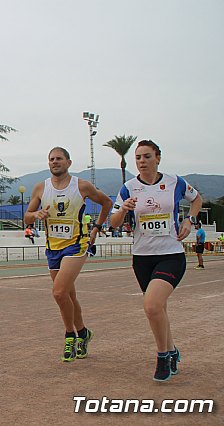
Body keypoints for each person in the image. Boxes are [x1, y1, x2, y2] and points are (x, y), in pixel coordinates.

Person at [110, 140, 202, 382]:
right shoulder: (128, 188)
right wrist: (123, 210)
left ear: (158, 158)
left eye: (147, 156)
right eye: (138, 157)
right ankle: (172, 351)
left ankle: (162, 356)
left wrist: (189, 220)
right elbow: (113, 223)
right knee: (158, 308)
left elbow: (197, 199)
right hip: (142, 258)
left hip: (171, 254)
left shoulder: (175, 182)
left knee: (151, 306)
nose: (142, 161)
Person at [25, 147, 113, 363]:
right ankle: (84, 333)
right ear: (48, 163)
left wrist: (97, 228)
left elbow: (107, 203)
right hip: (53, 247)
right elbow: (27, 218)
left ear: (68, 162)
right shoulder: (40, 188)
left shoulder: (81, 186)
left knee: (58, 292)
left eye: (59, 159)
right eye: (52, 159)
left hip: (76, 245)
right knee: (68, 296)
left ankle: (70, 336)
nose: (55, 162)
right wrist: (36, 214)